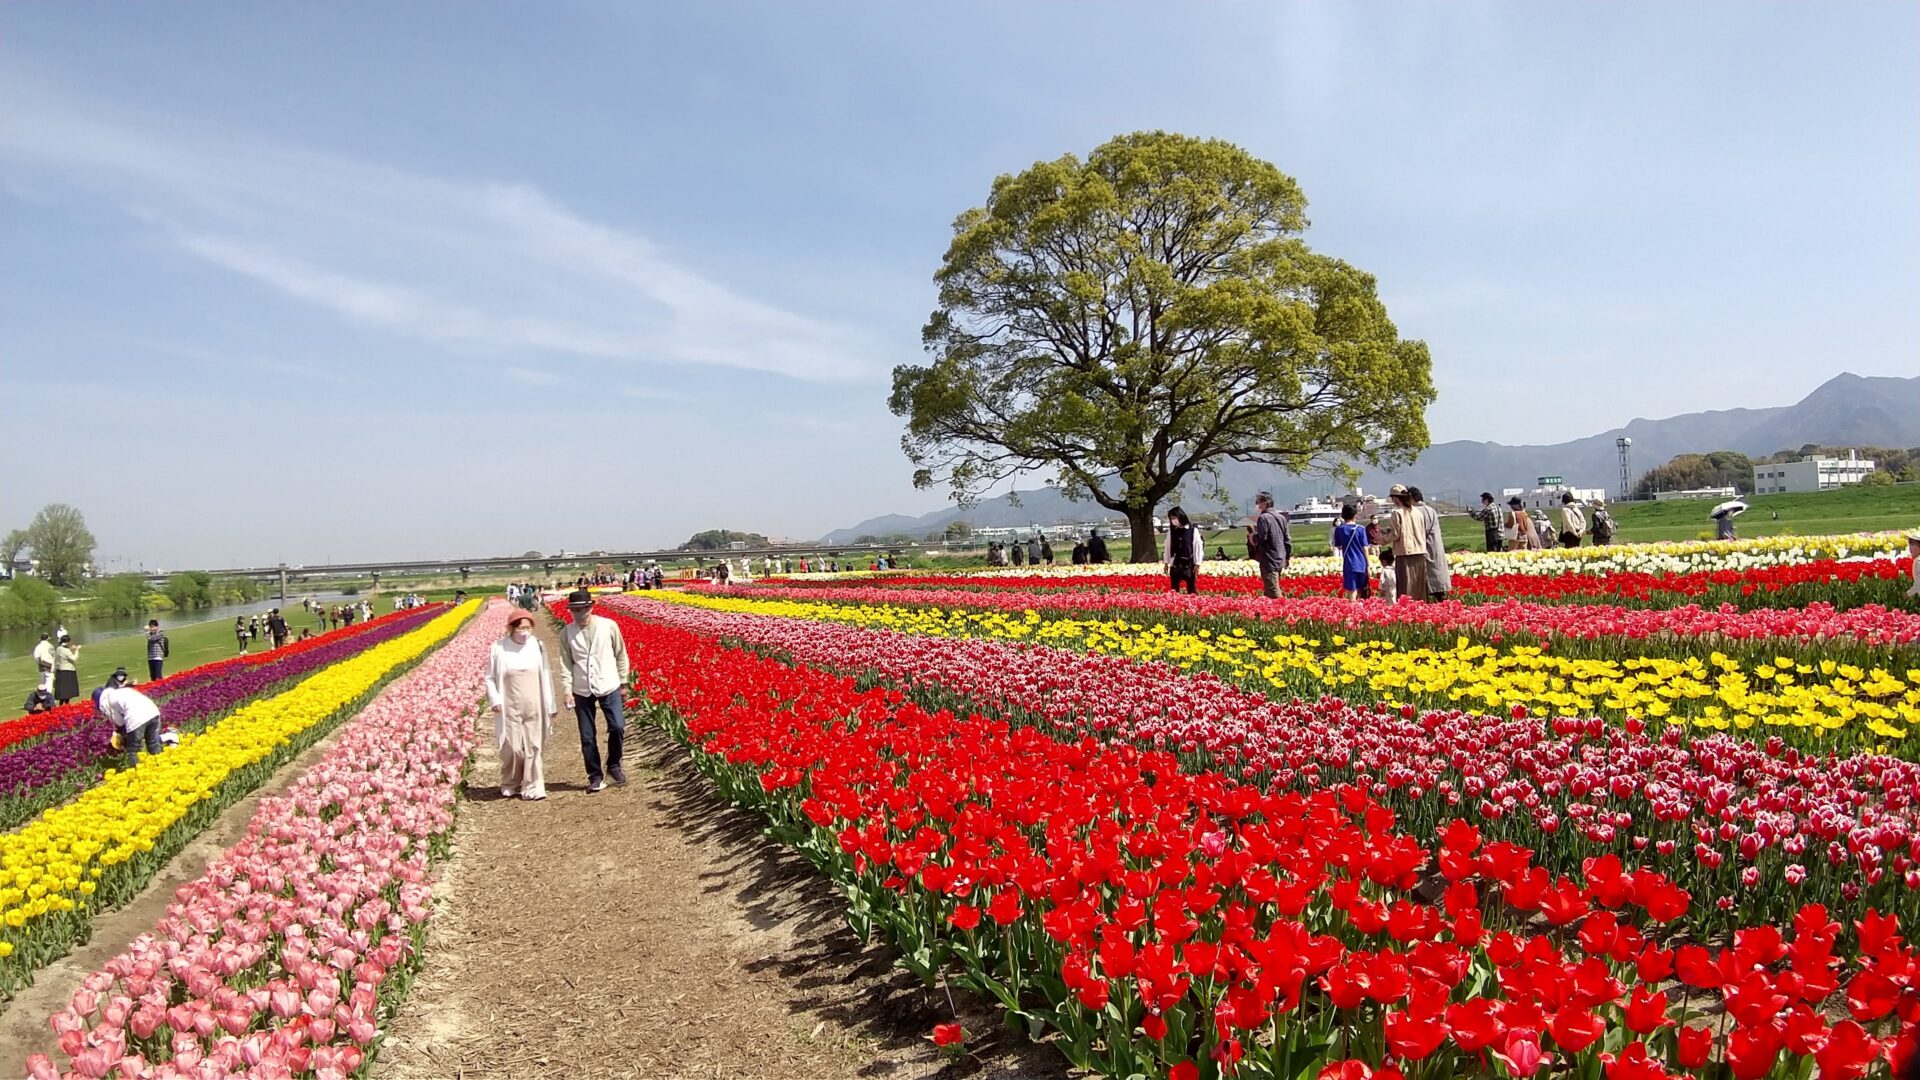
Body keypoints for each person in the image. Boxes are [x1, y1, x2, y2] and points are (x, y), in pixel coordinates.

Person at [559, 589, 631, 793]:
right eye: (574, 610)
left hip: (608, 683)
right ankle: (595, 775)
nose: (578, 613)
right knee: (587, 735)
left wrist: (623, 683)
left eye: (581, 609)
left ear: (590, 608)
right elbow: (565, 664)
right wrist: (567, 690)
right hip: (581, 687)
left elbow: (621, 654)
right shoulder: (567, 633)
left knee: (617, 726)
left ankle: (614, 765)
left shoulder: (609, 626)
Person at [487, 609, 557, 801]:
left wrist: (550, 704)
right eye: (520, 628)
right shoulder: (499, 648)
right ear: (512, 628)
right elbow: (490, 678)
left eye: (528, 628)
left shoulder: (537, 646)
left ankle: (533, 785)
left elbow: (546, 674)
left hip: (534, 703)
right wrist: (495, 699)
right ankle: (511, 781)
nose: (524, 632)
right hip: (510, 705)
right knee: (513, 747)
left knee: (534, 746)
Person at [97, 667, 165, 767]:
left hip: (136, 718)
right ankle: (164, 766)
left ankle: (137, 771)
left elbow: (119, 722)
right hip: (153, 711)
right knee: (153, 743)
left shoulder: (104, 702)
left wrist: (121, 734)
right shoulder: (122, 691)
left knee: (133, 750)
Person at [1386, 485, 1430, 602]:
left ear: (1395, 499)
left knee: (1405, 589)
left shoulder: (1397, 513)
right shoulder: (1418, 512)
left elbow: (1395, 534)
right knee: (1419, 589)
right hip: (1420, 553)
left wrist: (1381, 539)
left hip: (1404, 554)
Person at [1409, 486, 1451, 603]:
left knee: (1427, 582)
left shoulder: (1416, 512)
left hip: (1424, 550)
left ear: (1412, 498)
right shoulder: (1430, 510)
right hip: (1435, 548)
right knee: (1437, 582)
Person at [1250, 491, 1293, 599]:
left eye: (1258, 502)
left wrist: (1253, 537)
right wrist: (1287, 557)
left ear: (1265, 503)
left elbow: (1262, 537)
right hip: (1280, 557)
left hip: (1268, 558)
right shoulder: (1281, 518)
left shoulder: (1263, 518)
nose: (1257, 505)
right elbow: (1287, 540)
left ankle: (1283, 608)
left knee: (1273, 591)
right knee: (1272, 587)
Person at [1332, 503, 1370, 600]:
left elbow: (1338, 546)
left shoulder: (1339, 530)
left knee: (1352, 590)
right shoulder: (1361, 529)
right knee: (1362, 590)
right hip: (1361, 563)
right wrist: (1368, 565)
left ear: (1343, 516)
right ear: (1355, 515)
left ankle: (1353, 607)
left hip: (1349, 563)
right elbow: (1365, 548)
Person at [1163, 506, 1203, 594]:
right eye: (1171, 518)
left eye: (1174, 518)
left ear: (1180, 516)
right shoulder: (1172, 531)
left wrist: (1197, 563)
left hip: (1189, 563)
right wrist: (1166, 562)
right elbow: (1167, 546)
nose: (1173, 520)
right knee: (1174, 588)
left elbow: (1197, 547)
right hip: (1175, 563)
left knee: (1191, 588)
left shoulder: (1192, 530)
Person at [52, 634, 81, 705]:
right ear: (68, 641)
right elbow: (74, 659)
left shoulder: (58, 648)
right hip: (67, 671)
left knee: (62, 691)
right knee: (67, 691)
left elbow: (63, 653)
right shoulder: (66, 650)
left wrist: (71, 649)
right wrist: (77, 650)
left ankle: (61, 704)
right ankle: (66, 705)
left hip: (60, 671)